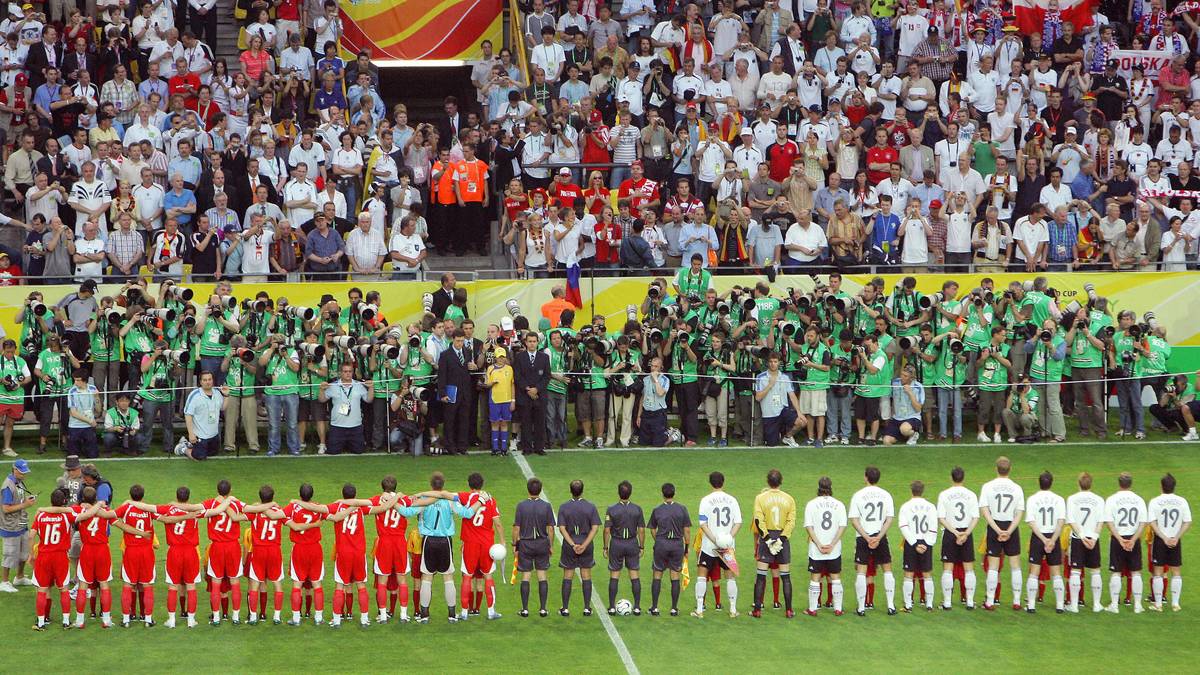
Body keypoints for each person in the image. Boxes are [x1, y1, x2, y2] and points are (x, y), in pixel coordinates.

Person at [395, 472, 479, 623]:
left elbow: (406, 512)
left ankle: (425, 615)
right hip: (445, 541)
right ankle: (452, 615)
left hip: (428, 541)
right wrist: (481, 501)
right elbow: (467, 514)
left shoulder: (424, 500)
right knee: (448, 577)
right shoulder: (449, 500)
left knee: (426, 577)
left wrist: (393, 502)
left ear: (431, 485)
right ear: (443, 484)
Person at [979, 456, 1026, 611]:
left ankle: (990, 601)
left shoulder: (987, 486)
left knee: (993, 566)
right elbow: (1019, 513)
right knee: (1015, 565)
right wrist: (1009, 530)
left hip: (995, 526)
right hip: (1011, 526)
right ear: (1010, 469)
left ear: (996, 469)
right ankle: (1017, 600)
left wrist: (997, 530)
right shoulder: (1017, 488)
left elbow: (985, 511)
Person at [693, 471, 741, 619]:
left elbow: (703, 524)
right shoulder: (732, 500)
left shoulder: (705, 500)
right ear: (723, 482)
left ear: (710, 483)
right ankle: (733, 610)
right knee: (730, 576)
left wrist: (715, 540)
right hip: (727, 546)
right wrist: (728, 538)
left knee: (702, 575)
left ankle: (699, 610)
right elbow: (738, 522)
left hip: (709, 546)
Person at [848, 466, 895, 616]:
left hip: (864, 537)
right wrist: (879, 536)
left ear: (865, 477)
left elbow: (854, 520)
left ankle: (861, 608)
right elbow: (889, 519)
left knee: (861, 572)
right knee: (887, 570)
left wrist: (867, 537)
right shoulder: (886, 495)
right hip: (880, 537)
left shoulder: (858, 495)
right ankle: (891, 606)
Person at [30, 488, 79, 630]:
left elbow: (31, 535)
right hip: (60, 556)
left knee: (42, 589)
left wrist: (31, 554)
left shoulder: (40, 516)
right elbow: (78, 514)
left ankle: (41, 622)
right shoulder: (67, 515)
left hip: (44, 556)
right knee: (63, 589)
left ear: (51, 501)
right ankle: (65, 621)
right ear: (64, 501)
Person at [114, 484, 160, 627]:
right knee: (147, 585)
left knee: (128, 584)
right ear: (143, 495)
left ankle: (127, 619)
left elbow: (113, 516)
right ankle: (148, 619)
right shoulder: (148, 509)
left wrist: (126, 502)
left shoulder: (126, 508)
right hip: (146, 551)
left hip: (131, 551)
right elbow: (164, 517)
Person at [752, 469, 795, 618]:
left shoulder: (760, 498)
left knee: (761, 575)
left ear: (768, 482)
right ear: (781, 481)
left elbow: (758, 520)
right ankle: (789, 610)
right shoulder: (789, 499)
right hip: (782, 538)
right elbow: (791, 522)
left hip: (766, 539)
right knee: (785, 576)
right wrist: (782, 539)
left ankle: (757, 610)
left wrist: (768, 539)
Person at [1103, 472, 1148, 613]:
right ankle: (1138, 605)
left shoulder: (1111, 499)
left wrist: (1119, 539)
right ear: (1131, 484)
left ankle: (1114, 605)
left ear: (1119, 483)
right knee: (1136, 572)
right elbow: (1143, 522)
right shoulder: (1139, 500)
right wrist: (1133, 539)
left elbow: (1109, 522)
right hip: (1133, 539)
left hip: (1118, 539)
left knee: (1116, 572)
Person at [803, 476, 847, 617]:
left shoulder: (811, 504)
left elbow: (809, 527)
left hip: (816, 549)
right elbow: (842, 526)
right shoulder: (839, 505)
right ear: (830, 487)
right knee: (835, 577)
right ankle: (838, 608)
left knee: (815, 577)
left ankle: (813, 609)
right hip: (834, 550)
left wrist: (819, 544)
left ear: (819, 487)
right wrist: (832, 544)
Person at [557, 479, 601, 617]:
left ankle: (565, 608)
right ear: (582, 490)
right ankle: (587, 608)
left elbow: (562, 528)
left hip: (570, 546)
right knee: (586, 575)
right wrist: (584, 545)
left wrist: (572, 544)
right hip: (585, 545)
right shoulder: (591, 507)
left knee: (568, 576)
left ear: (571, 491)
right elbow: (595, 528)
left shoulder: (564, 507)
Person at [937, 466, 979, 610]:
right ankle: (969, 601)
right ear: (963, 478)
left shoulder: (944, 494)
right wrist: (966, 533)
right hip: (966, 532)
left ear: (951, 478)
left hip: (950, 532)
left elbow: (941, 518)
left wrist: (955, 533)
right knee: (969, 568)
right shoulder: (971, 495)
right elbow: (975, 517)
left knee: (948, 568)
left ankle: (947, 602)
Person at [512, 477, 555, 618]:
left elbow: (516, 528)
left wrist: (515, 545)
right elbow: (551, 529)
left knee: (526, 576)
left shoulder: (521, 506)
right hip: (542, 543)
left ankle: (525, 610)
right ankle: (543, 609)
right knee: (542, 575)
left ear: (528, 489)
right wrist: (551, 545)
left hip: (526, 544)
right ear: (540, 490)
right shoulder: (547, 506)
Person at [1148, 473, 1191, 613]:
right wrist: (1176, 537)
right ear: (1174, 486)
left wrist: (1163, 537)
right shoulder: (1182, 501)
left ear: (1161, 486)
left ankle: (1158, 604)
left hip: (1161, 540)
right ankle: (1175, 604)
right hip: (1175, 540)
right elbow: (1187, 521)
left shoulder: (1154, 501)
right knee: (1176, 571)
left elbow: (1152, 522)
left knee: (1158, 571)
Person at [647, 482, 691, 617]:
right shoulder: (682, 509)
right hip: (677, 544)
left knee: (657, 574)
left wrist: (659, 540)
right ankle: (673, 608)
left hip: (661, 544)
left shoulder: (657, 509)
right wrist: (686, 547)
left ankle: (654, 607)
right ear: (674, 493)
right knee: (675, 575)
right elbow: (687, 530)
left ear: (662, 494)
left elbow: (652, 529)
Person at [1066, 472, 1106, 613]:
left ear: (1078, 483)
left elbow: (1070, 520)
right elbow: (1101, 520)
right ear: (1091, 484)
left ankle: (1074, 605)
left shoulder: (1072, 499)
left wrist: (1082, 536)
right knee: (1095, 571)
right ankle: (1096, 604)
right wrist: (1094, 538)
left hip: (1078, 539)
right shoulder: (1099, 500)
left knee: (1076, 572)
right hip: (1093, 539)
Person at [604, 480, 645, 615]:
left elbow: (606, 530)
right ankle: (637, 607)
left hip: (616, 543)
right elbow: (641, 530)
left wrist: (605, 547)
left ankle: (611, 607)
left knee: (615, 574)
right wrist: (641, 546)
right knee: (634, 574)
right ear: (631, 493)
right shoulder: (637, 509)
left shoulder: (611, 509)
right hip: (632, 543)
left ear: (618, 493)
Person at [897, 480, 938, 612]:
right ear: (923, 490)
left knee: (909, 574)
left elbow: (903, 526)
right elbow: (933, 526)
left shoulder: (905, 506)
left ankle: (908, 605)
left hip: (911, 543)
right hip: (927, 543)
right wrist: (926, 543)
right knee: (927, 574)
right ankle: (929, 604)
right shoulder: (931, 507)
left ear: (911, 491)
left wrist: (914, 544)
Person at [319, 362, 374, 455]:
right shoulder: (333, 386)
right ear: (340, 373)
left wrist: (371, 388)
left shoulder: (359, 385)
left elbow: (369, 400)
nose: (348, 373)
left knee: (359, 451)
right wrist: (321, 389)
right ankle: (343, 443)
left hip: (355, 426)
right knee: (333, 451)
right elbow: (322, 399)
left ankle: (348, 443)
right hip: (337, 426)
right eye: (345, 371)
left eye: (350, 371)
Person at [755, 351, 805, 447]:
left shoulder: (785, 377)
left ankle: (788, 437)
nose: (773, 364)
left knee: (802, 422)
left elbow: (792, 395)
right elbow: (758, 398)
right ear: (767, 363)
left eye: (775, 361)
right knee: (772, 444)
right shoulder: (761, 377)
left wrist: (799, 412)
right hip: (769, 414)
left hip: (783, 410)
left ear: (779, 363)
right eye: (771, 362)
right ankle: (777, 434)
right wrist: (770, 385)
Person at [436, 329, 473, 456]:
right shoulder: (445, 355)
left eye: (462, 341)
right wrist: (442, 393)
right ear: (453, 340)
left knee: (464, 420)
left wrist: (473, 367)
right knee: (450, 421)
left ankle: (462, 446)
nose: (460, 343)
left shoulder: (468, 352)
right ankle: (450, 446)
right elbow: (442, 376)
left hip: (465, 393)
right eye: (458, 341)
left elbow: (468, 371)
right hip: (451, 392)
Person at [1, 459, 35, 592]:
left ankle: (19, 577)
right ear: (14, 470)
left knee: (24, 552)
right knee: (9, 554)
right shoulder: (7, 486)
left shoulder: (19, 482)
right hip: (10, 526)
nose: (24, 475)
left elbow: (20, 500)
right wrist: (25, 505)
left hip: (21, 522)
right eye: (22, 472)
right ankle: (4, 582)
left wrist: (27, 501)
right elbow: (6, 509)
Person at [513, 332, 549, 456]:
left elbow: (546, 376)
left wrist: (536, 389)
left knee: (540, 422)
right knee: (526, 422)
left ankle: (539, 447)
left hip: (539, 396)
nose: (532, 343)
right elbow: (517, 376)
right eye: (530, 341)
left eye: (534, 341)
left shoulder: (544, 357)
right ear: (526, 342)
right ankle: (527, 447)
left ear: (537, 342)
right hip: (524, 395)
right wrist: (528, 389)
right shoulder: (519, 357)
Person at [181, 372, 225, 460]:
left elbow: (223, 408)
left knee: (213, 453)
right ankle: (183, 448)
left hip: (214, 434)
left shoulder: (217, 393)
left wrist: (227, 395)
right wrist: (191, 434)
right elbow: (188, 414)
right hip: (200, 435)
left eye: (209, 379)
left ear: (213, 381)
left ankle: (190, 445)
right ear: (200, 382)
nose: (207, 382)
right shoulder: (195, 395)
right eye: (205, 380)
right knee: (199, 457)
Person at [882, 364, 924, 445]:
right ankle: (903, 436)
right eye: (902, 374)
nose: (902, 377)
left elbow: (918, 409)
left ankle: (914, 434)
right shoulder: (894, 382)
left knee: (904, 429)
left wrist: (910, 393)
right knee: (886, 441)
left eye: (905, 376)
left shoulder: (918, 386)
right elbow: (888, 396)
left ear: (911, 378)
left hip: (912, 417)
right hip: (896, 418)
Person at [65, 368, 101, 459]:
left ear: (84, 380)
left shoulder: (93, 388)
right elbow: (73, 413)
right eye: (75, 380)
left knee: (93, 455)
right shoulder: (72, 391)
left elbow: (99, 410)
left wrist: (96, 397)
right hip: (75, 426)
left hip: (88, 426)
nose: (75, 383)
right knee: (73, 457)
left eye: (78, 380)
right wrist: (90, 421)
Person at [637, 356, 670, 447]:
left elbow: (660, 393)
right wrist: (639, 416)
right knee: (643, 443)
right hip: (646, 413)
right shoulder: (645, 379)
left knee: (658, 444)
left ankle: (672, 436)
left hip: (658, 413)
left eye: (656, 366)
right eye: (652, 366)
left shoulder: (665, 380)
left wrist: (655, 380)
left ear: (661, 368)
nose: (653, 368)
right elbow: (642, 398)